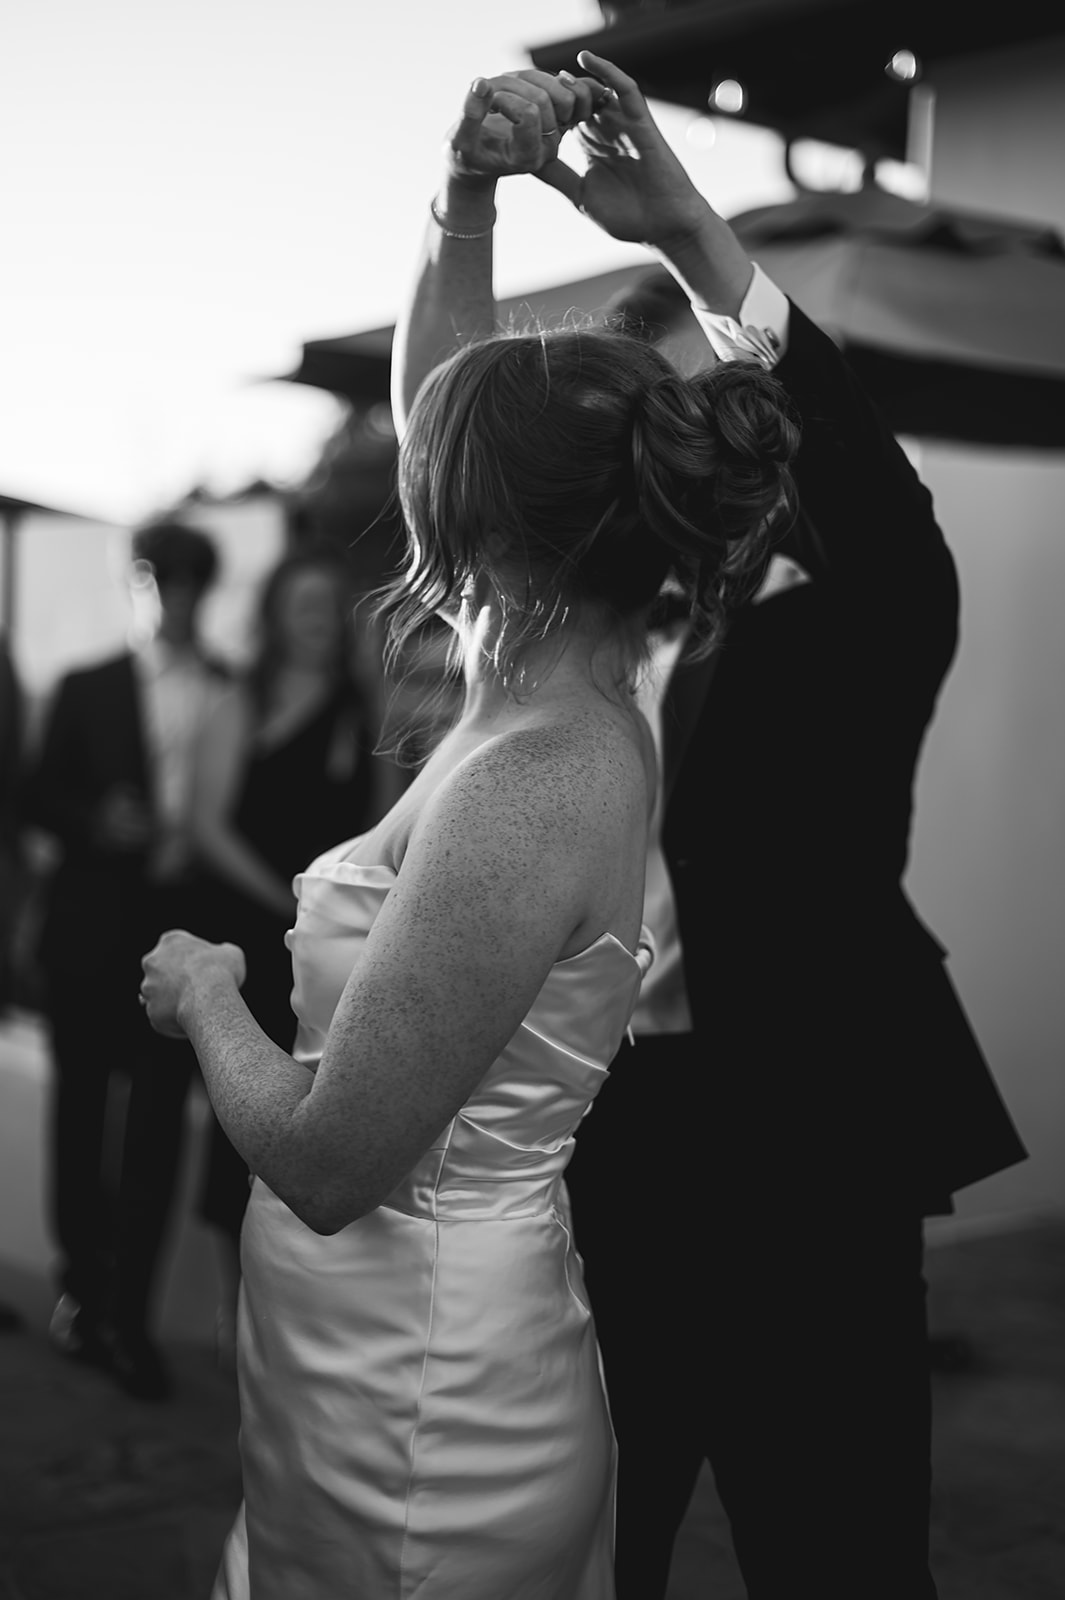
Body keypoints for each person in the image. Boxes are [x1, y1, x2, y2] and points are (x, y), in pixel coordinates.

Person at [396, 55, 1028, 1600]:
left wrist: (684, 228)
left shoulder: (858, 618)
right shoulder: (539, 635)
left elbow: (871, 493)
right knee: (576, 1555)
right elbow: (446, 435)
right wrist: (464, 203)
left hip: (802, 1159)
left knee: (844, 1557)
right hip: (578, 1156)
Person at [137, 177, 800, 1593]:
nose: (406, 482)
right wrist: (463, 200)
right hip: (371, 1362)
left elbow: (327, 1163)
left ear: (480, 522)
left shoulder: (529, 779)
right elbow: (462, 405)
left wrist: (205, 991)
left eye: (428, 469)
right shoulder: (539, 717)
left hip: (419, 1409)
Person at [25, 520, 229, 1391]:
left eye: (192, 583)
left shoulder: (229, 686)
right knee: (79, 1118)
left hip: (176, 934)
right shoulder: (87, 683)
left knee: (153, 1131)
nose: (177, 597)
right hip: (88, 932)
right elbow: (35, 793)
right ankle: (81, 1292)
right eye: (163, 580)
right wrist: (94, 821)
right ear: (140, 583)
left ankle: (131, 1319)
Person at [189, 543, 386, 1363]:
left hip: (329, 951)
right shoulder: (243, 699)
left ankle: (294, 1324)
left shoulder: (363, 711)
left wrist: (332, 916)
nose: (313, 617)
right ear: (272, 612)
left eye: (324, 603)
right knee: (237, 1122)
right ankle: (235, 1319)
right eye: (298, 602)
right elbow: (206, 822)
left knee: (315, 1112)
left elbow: (382, 833)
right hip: (252, 933)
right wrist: (284, 900)